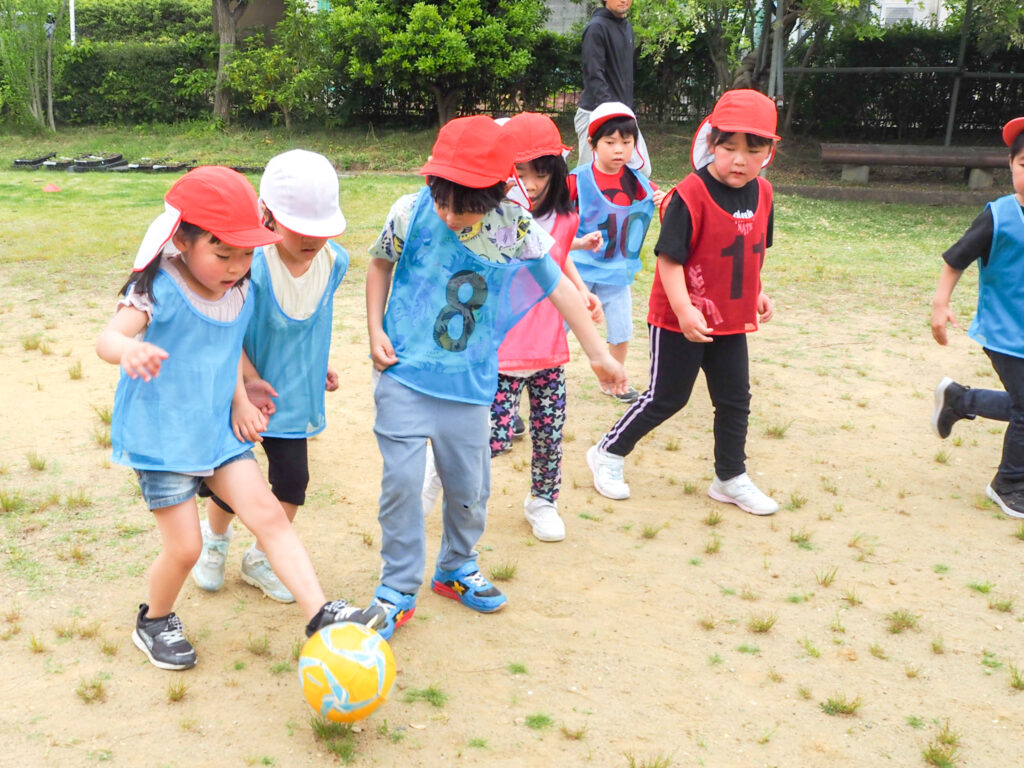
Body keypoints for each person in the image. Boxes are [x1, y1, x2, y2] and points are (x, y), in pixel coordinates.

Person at [96, 166, 382, 670]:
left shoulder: (240, 289)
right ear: (182, 240)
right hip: (163, 438)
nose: (235, 266)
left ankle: (322, 615)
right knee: (183, 549)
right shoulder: (158, 285)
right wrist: (128, 352)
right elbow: (108, 338)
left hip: (215, 430)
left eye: (246, 253)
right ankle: (154, 619)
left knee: (270, 514)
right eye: (222, 253)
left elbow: (226, 350)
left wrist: (242, 397)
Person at [365, 115, 627, 639]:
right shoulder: (410, 211)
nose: (450, 214)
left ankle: (456, 567)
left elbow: (555, 286)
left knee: (469, 487)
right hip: (405, 375)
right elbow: (379, 264)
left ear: (494, 190)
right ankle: (396, 586)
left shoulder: (512, 224)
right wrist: (373, 328)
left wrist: (598, 353)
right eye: (443, 199)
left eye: (464, 206)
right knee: (401, 483)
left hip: (468, 386)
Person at [586, 89, 781, 516]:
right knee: (667, 397)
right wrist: (685, 309)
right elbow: (670, 261)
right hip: (680, 319)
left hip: (730, 317)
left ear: (768, 152)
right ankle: (608, 453)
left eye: (754, 149)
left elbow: (752, 251)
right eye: (729, 148)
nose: (740, 160)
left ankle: (729, 477)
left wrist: (758, 290)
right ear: (711, 143)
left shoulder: (763, 194)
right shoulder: (689, 194)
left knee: (735, 399)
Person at [191, 150, 350, 603]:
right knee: (231, 484)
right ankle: (215, 542)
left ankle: (260, 558)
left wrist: (319, 364)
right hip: (240, 395)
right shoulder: (249, 266)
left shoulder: (334, 263)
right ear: (267, 215)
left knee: (293, 483)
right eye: (299, 228)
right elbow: (227, 331)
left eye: (321, 230)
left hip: (293, 398)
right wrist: (246, 383)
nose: (311, 240)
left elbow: (312, 320)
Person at [490, 111, 604, 541]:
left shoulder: (566, 216)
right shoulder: (493, 219)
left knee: (549, 435)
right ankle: (442, 473)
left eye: (540, 173)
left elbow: (554, 257)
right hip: (502, 349)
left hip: (549, 347)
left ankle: (543, 501)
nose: (532, 184)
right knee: (492, 438)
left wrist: (580, 289)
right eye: (520, 172)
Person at [930, 116, 1024, 520]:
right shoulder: (999, 216)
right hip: (1005, 334)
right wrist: (940, 304)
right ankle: (1009, 484)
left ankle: (960, 399)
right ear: (1011, 165)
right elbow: (956, 259)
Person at [569, 102, 662, 403]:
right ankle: (539, 374)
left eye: (627, 142)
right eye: (610, 142)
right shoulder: (576, 181)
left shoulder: (639, 184)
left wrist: (663, 201)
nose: (619, 149)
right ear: (593, 143)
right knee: (559, 325)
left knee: (621, 328)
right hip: (578, 272)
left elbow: (665, 201)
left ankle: (615, 377)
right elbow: (555, 221)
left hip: (617, 272)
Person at [574, 0, 651, 177]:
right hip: (594, 114)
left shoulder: (627, 28)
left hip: (622, 115)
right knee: (589, 177)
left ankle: (624, 205)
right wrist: (609, 113)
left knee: (642, 170)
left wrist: (622, 113)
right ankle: (575, 204)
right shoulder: (596, 27)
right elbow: (594, 75)